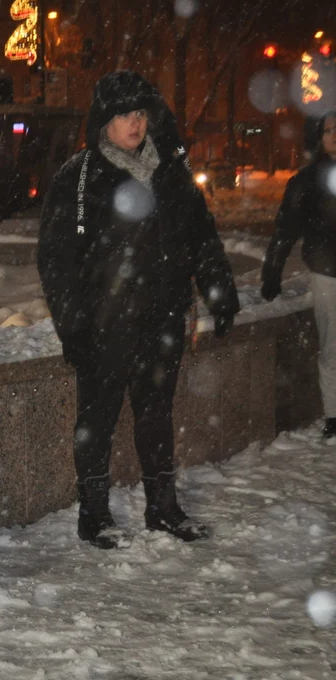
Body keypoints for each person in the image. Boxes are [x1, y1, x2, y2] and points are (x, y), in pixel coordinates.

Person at [37, 70, 239, 550]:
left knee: (156, 414)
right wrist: (73, 326)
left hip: (161, 317)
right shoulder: (79, 176)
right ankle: (94, 513)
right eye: (124, 115)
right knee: (97, 419)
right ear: (104, 121)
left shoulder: (170, 169)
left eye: (141, 114)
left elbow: (199, 233)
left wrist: (218, 288)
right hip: (103, 324)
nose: (135, 124)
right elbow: (56, 260)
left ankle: (163, 507)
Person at [261, 110, 336, 437]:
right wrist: (272, 271)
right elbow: (285, 229)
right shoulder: (308, 180)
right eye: (330, 130)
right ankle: (334, 413)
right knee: (333, 347)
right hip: (328, 274)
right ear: (319, 137)